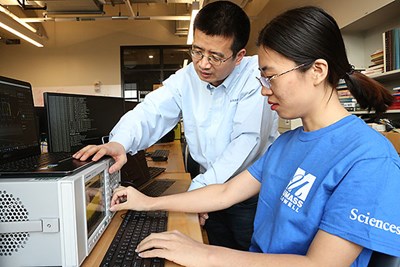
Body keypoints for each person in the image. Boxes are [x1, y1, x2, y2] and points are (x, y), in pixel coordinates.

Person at [108, 6, 400, 267]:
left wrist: (205, 254)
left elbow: (320, 264)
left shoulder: (369, 157)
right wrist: (147, 202)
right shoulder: (287, 144)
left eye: (270, 77)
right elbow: (224, 193)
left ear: (317, 71)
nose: (263, 89)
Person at [73, 1, 279, 251]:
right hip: (208, 184)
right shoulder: (188, 77)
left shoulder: (254, 77)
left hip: (249, 194)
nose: (203, 64)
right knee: (216, 246)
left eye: (215, 56)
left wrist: (196, 194)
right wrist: (121, 142)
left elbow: (246, 143)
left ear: (239, 57)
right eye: (197, 51)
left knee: (250, 253)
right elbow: (152, 111)